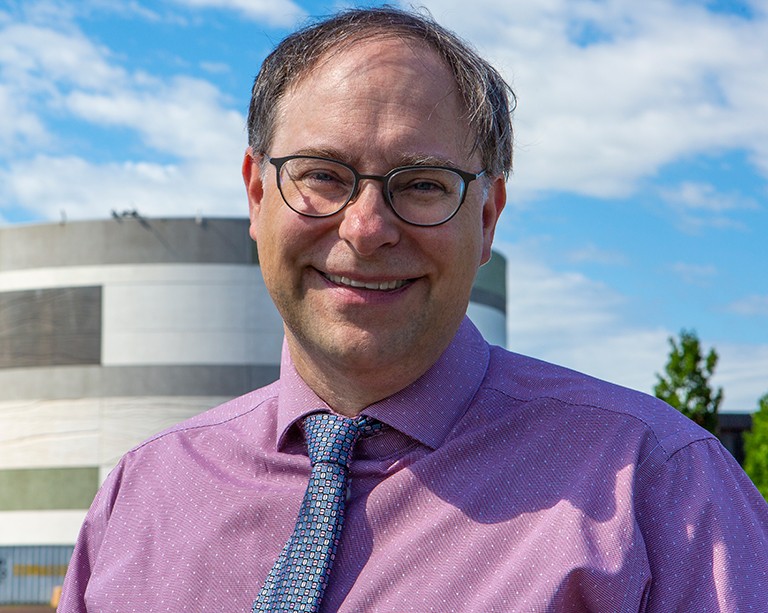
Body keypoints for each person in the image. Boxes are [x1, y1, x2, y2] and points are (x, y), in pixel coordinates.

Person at [59, 7, 768, 612]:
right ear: (256, 194)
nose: (366, 227)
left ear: (486, 217)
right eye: (323, 175)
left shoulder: (663, 490)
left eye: (422, 184)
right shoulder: (139, 496)